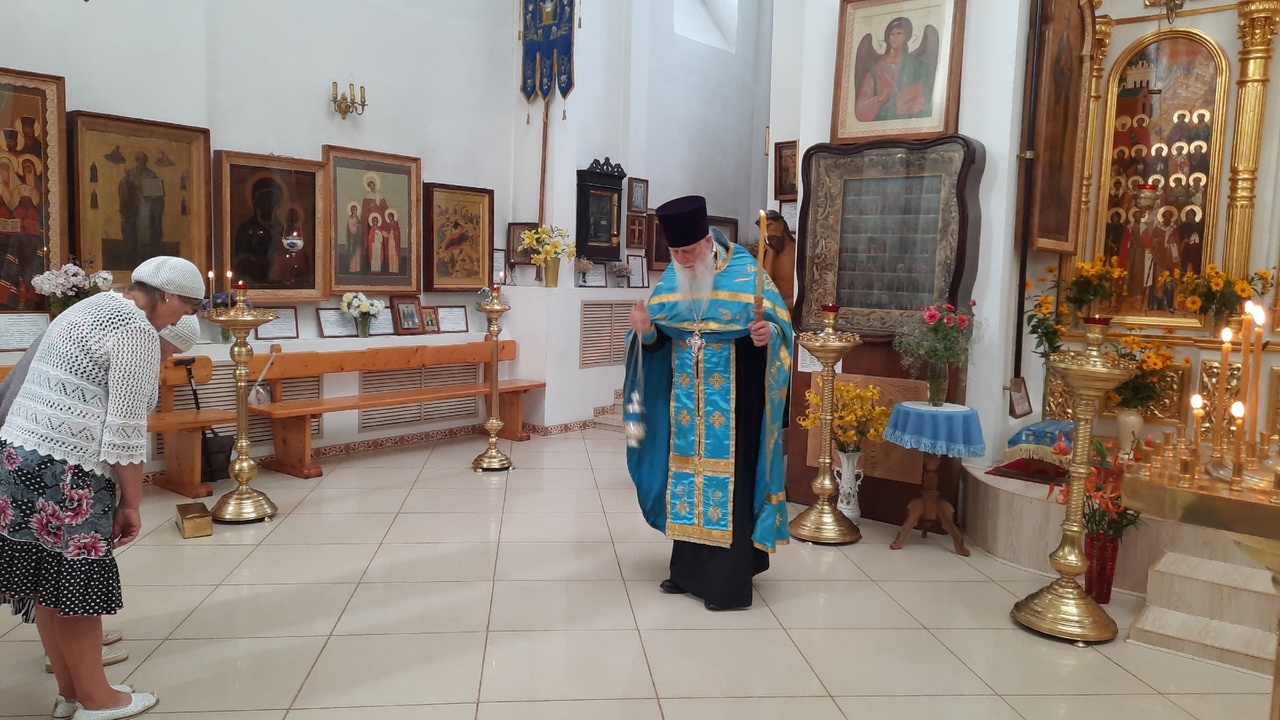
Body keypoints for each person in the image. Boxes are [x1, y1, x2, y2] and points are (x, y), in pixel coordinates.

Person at [0, 255, 205, 719]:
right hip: (68, 471)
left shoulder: (90, 306)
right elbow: (124, 433)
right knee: (77, 591)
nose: (180, 320)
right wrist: (132, 504)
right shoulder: (135, 330)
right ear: (168, 295)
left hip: (17, 458)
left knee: (47, 585)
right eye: (185, 310)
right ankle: (98, 700)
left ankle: (71, 693)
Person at [624, 195, 792, 611]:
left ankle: (725, 584)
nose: (681, 260)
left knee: (728, 485)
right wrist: (646, 331)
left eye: (688, 251)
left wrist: (767, 336)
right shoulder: (673, 279)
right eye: (675, 253)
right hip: (685, 405)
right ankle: (686, 571)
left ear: (706, 241)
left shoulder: (746, 273)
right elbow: (659, 342)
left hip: (735, 404)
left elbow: (779, 329)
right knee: (684, 477)